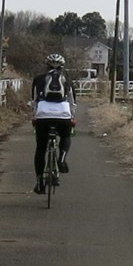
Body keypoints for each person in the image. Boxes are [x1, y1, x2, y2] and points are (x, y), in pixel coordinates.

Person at [31, 53, 76, 194]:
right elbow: (72, 102)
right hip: (63, 114)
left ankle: (39, 183)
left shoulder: (38, 79)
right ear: (63, 66)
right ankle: (61, 159)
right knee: (66, 136)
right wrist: (72, 117)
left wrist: (35, 115)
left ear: (47, 66)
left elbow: (34, 101)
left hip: (43, 115)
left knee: (41, 148)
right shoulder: (67, 79)